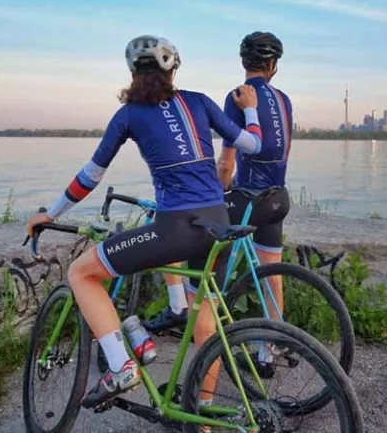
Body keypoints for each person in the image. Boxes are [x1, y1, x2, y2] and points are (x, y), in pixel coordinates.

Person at [25, 35, 262, 408]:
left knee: (82, 274)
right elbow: (253, 145)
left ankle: (121, 366)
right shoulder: (199, 101)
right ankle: (202, 414)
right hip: (219, 221)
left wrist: (51, 214)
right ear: (173, 70)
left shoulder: (129, 115)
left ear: (133, 73)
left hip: (175, 229)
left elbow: (91, 176)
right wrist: (250, 112)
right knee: (206, 319)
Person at [146, 32, 292, 368]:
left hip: (248, 197)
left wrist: (214, 187)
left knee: (178, 225)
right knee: (271, 272)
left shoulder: (237, 97)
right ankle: (269, 351)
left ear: (244, 63)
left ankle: (181, 308)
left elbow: (226, 163)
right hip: (278, 198)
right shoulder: (284, 99)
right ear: (273, 66)